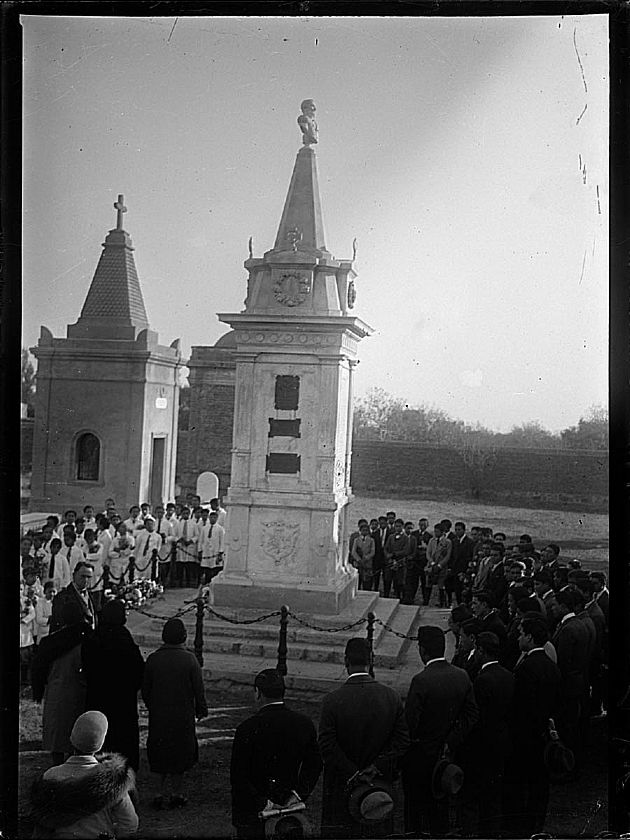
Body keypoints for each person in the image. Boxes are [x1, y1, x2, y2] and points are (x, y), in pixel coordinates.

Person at [319, 638, 410, 838]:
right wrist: (376, 767)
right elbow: (402, 742)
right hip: (378, 786)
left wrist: (353, 772)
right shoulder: (391, 697)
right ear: (371, 661)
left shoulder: (332, 701)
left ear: (345, 661)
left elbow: (327, 745)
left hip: (342, 786)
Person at [402, 625, 478, 837]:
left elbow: (410, 722)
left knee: (415, 810)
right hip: (446, 756)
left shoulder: (421, 681)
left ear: (422, 650)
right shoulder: (462, 676)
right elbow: (471, 714)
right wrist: (450, 740)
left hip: (420, 755)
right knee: (440, 804)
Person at [231, 669, 323, 839]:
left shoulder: (247, 728)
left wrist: (262, 802)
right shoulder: (303, 724)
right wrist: (298, 794)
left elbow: (238, 775)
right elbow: (314, 763)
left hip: (254, 813)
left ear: (258, 693)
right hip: (288, 803)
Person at [30, 710, 138, 839]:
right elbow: (130, 824)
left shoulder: (50, 775)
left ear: (71, 738)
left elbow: (42, 822)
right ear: (101, 743)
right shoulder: (113, 781)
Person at [502, 616, 561, 837]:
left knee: (520, 781)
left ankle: (520, 825)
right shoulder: (550, 666)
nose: (518, 638)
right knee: (539, 783)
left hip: (524, 735)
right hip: (542, 734)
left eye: (521, 633)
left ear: (529, 637)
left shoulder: (527, 668)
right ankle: (536, 823)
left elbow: (519, 706)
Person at [142, 617, 208, 809]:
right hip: (182, 715)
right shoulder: (189, 659)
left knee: (159, 752)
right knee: (180, 754)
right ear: (184, 637)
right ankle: (176, 793)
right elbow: (198, 689)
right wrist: (201, 709)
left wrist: (152, 705)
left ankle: (158, 792)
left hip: (160, 715)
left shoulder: (154, 659)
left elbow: (146, 689)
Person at [458, 632, 514, 838]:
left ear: (482, 651)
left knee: (475, 792)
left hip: (482, 745)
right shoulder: (508, 674)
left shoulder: (482, 680)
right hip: (501, 740)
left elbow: (476, 716)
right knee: (493, 792)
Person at [82, 599, 145, 771]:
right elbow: (138, 670)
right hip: (122, 701)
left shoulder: (94, 637)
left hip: (98, 697)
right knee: (122, 747)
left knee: (102, 741)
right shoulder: (124, 639)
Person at [32, 601, 91, 765]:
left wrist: (40, 689)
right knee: (75, 728)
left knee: (57, 730)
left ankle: (57, 763)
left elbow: (38, 669)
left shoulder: (51, 642)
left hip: (56, 690)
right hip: (79, 690)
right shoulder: (85, 639)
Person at [50, 562, 98, 633]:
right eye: (83, 576)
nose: (86, 580)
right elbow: (58, 624)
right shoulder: (62, 597)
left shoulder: (91, 596)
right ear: (74, 575)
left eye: (89, 577)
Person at [198, 510, 226, 585]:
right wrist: (200, 550)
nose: (212, 519)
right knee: (206, 568)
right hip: (206, 551)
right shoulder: (204, 528)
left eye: (214, 517)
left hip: (215, 552)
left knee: (215, 568)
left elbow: (222, 541)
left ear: (217, 518)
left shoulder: (220, 529)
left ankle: (213, 583)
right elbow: (201, 540)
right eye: (211, 517)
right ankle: (206, 583)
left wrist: (220, 552)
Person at [132, 516, 162, 580]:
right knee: (139, 574)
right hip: (141, 557)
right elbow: (137, 547)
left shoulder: (158, 536)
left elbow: (158, 547)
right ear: (145, 525)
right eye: (148, 524)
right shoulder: (140, 535)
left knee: (150, 574)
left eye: (151, 524)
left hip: (151, 558)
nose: (150, 526)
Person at [351, 522, 375, 591]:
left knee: (367, 582)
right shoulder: (356, 540)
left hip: (367, 564)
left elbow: (372, 552)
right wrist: (359, 560)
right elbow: (353, 551)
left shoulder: (371, 540)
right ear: (360, 531)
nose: (365, 532)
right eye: (363, 530)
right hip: (358, 563)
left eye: (366, 530)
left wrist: (366, 558)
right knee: (358, 580)